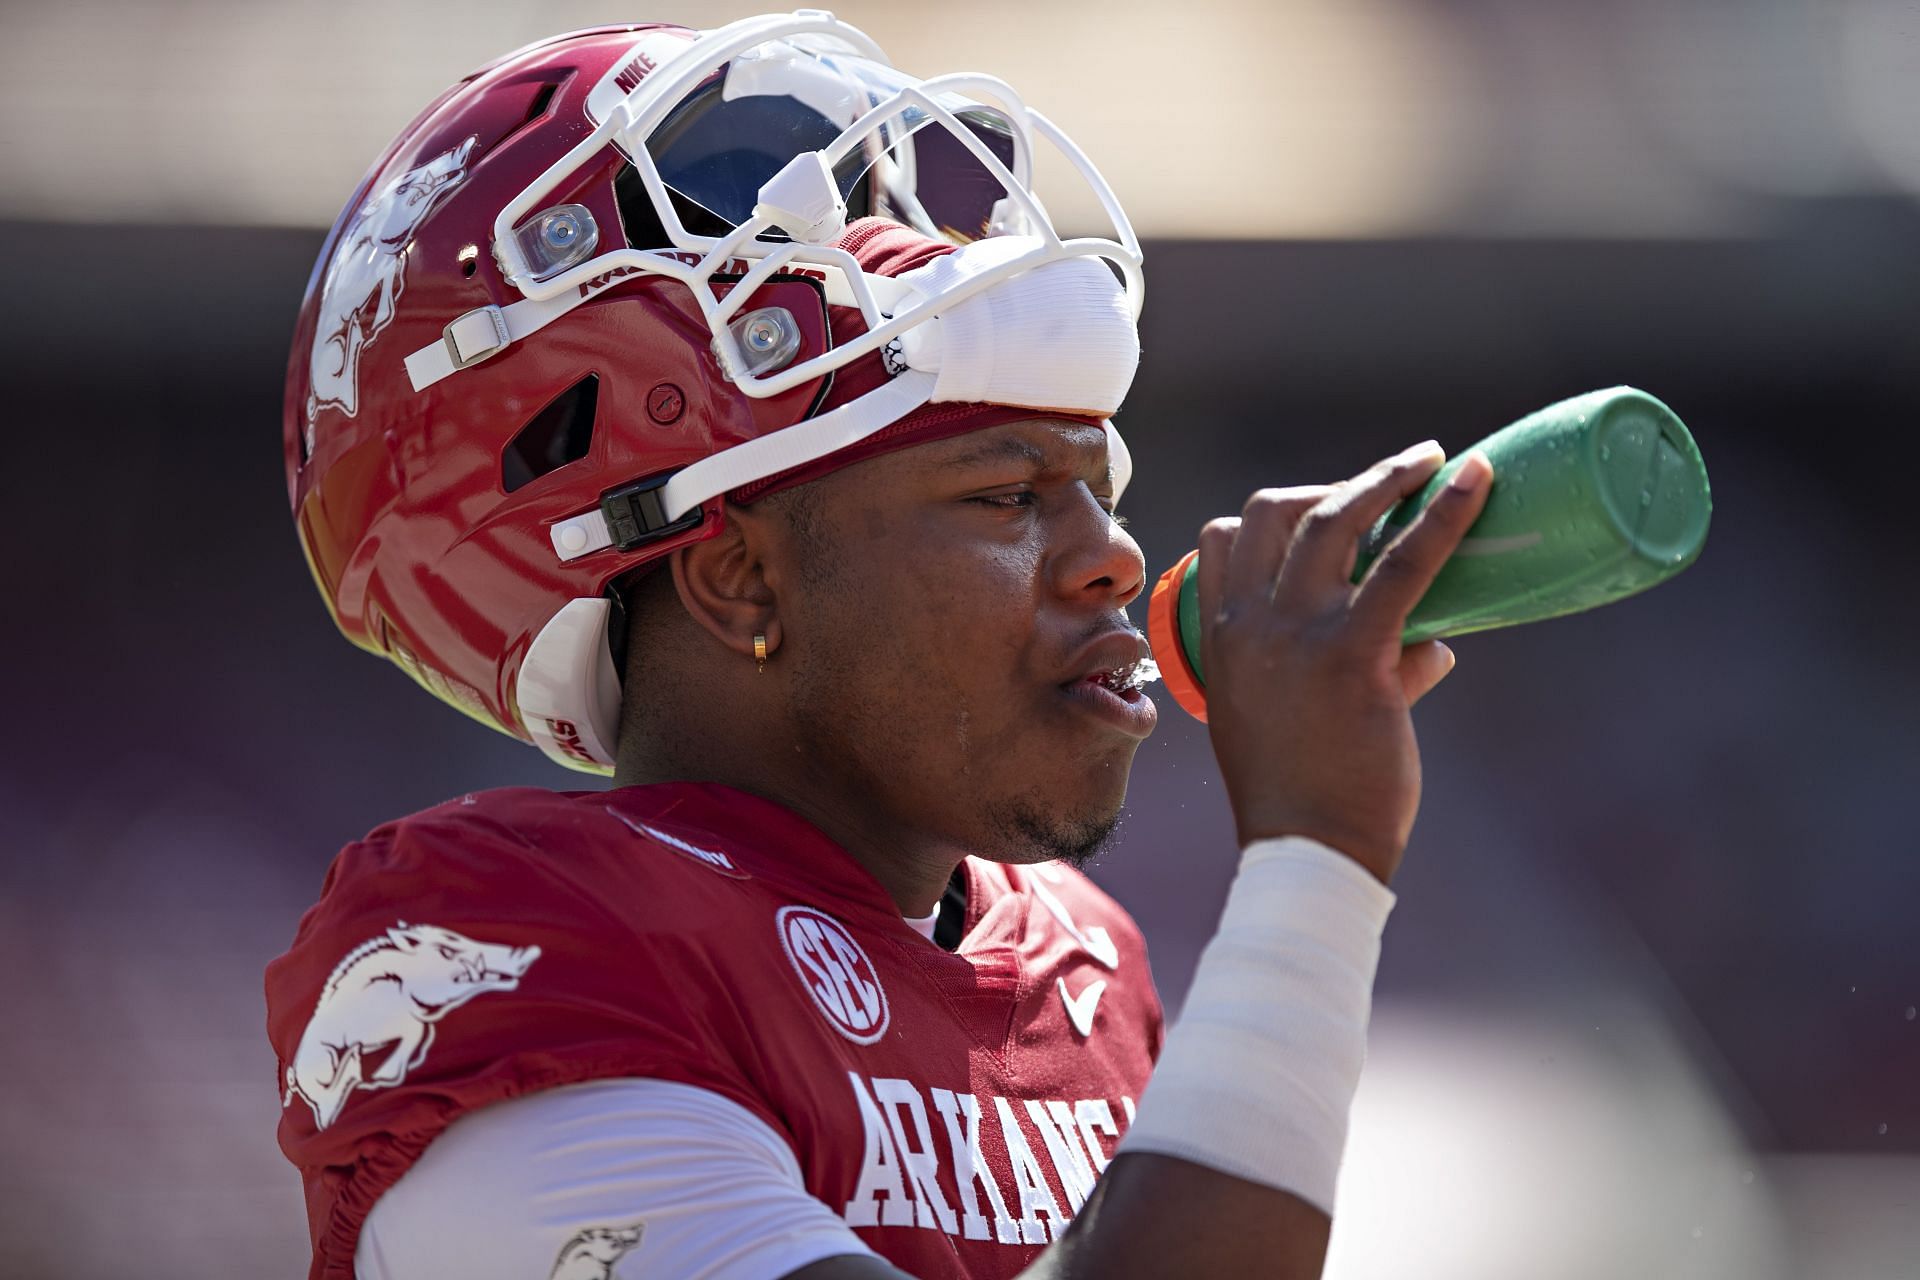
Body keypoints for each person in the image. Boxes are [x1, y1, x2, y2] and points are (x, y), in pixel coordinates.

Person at [266, 12, 1493, 1280]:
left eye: (1099, 485)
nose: (1115, 558)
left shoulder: (1075, 963)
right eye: (1004, 496)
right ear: (740, 577)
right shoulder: (535, 948)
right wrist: (1316, 872)